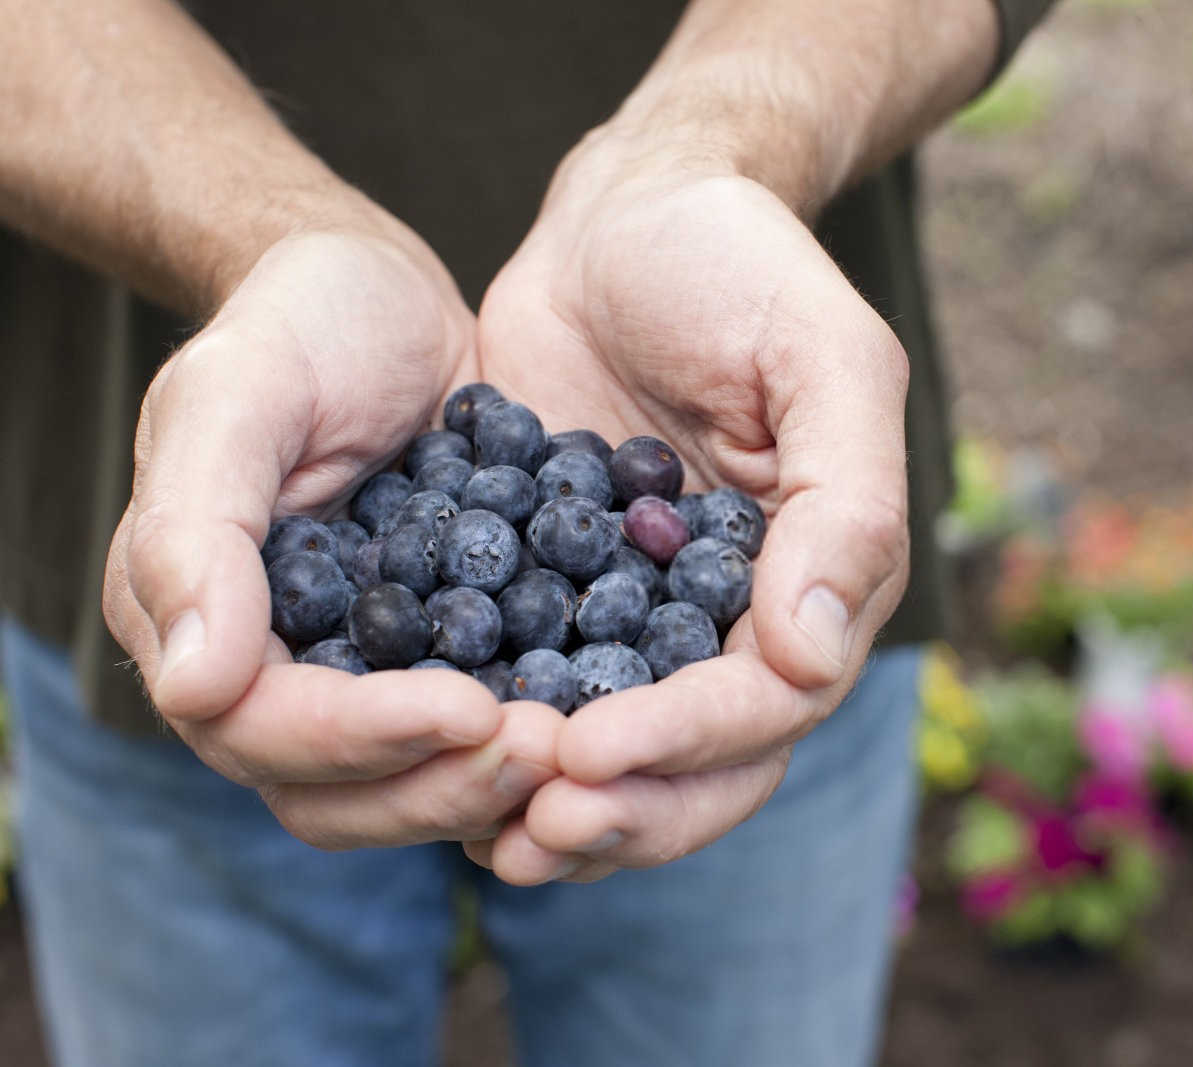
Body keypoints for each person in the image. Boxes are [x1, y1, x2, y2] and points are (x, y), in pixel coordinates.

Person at [0, 1, 1052, 1064]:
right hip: (194, 507)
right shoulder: (421, 539)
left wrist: (709, 144)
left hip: (755, 491)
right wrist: (255, 227)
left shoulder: (667, 547)